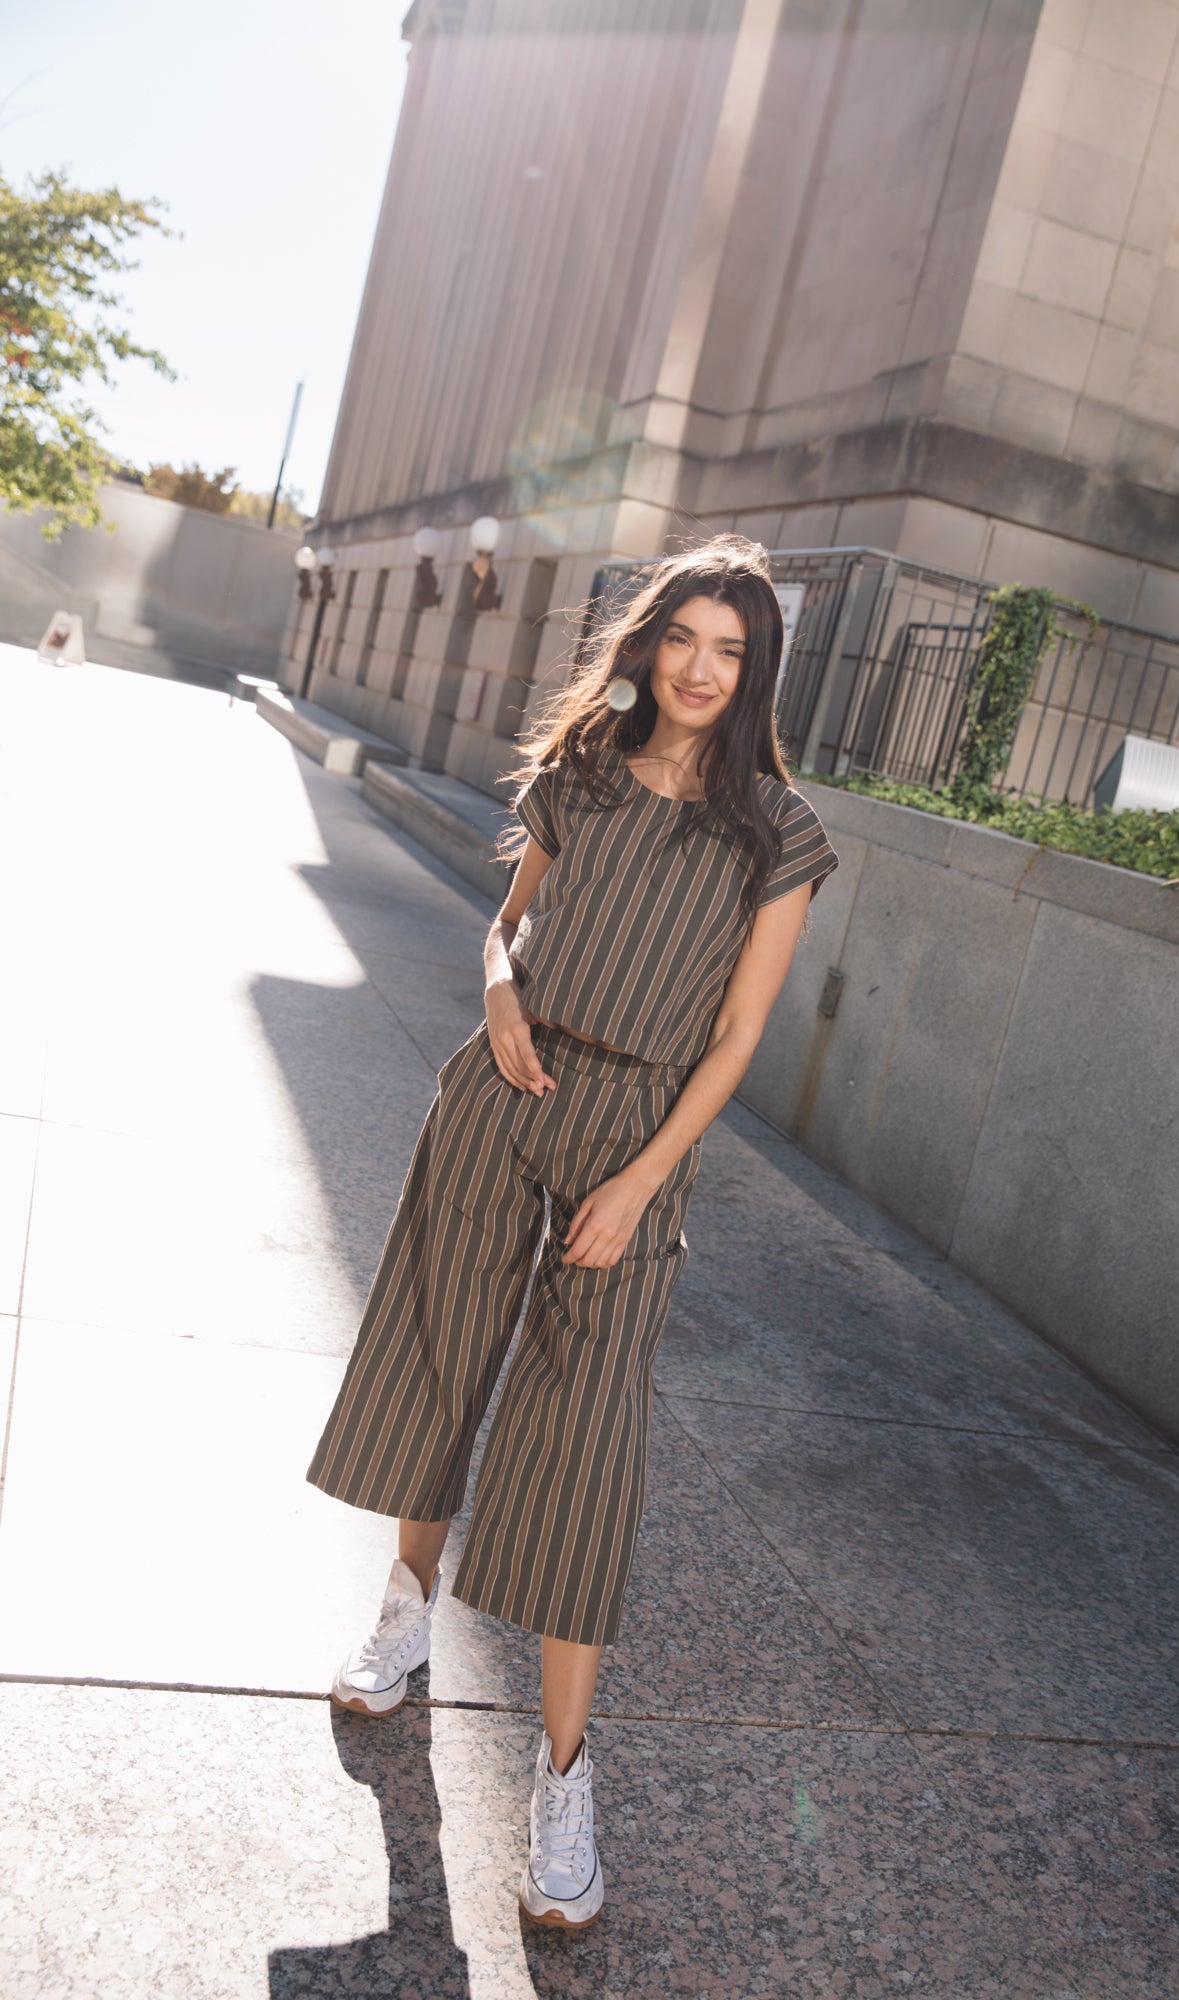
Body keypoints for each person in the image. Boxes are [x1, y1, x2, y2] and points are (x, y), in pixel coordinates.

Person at [307, 533, 840, 1929]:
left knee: (582, 1443)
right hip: (504, 1085)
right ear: (648, 641)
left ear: (756, 667)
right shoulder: (580, 775)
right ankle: (407, 1611)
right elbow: (506, 927)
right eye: (684, 639)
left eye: (732, 650)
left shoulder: (772, 831)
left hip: (637, 1134)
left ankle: (561, 1776)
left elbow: (736, 1041)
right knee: (439, 1354)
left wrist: (641, 1178)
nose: (702, 669)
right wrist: (493, 997)